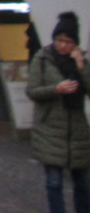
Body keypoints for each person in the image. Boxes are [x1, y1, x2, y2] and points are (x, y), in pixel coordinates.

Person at [27, 11, 90, 213]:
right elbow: (32, 91)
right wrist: (56, 89)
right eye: (59, 40)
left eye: (68, 41)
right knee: (54, 182)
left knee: (83, 183)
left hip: (77, 132)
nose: (63, 45)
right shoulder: (43, 59)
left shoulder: (81, 62)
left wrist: (81, 66)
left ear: (75, 43)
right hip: (49, 130)